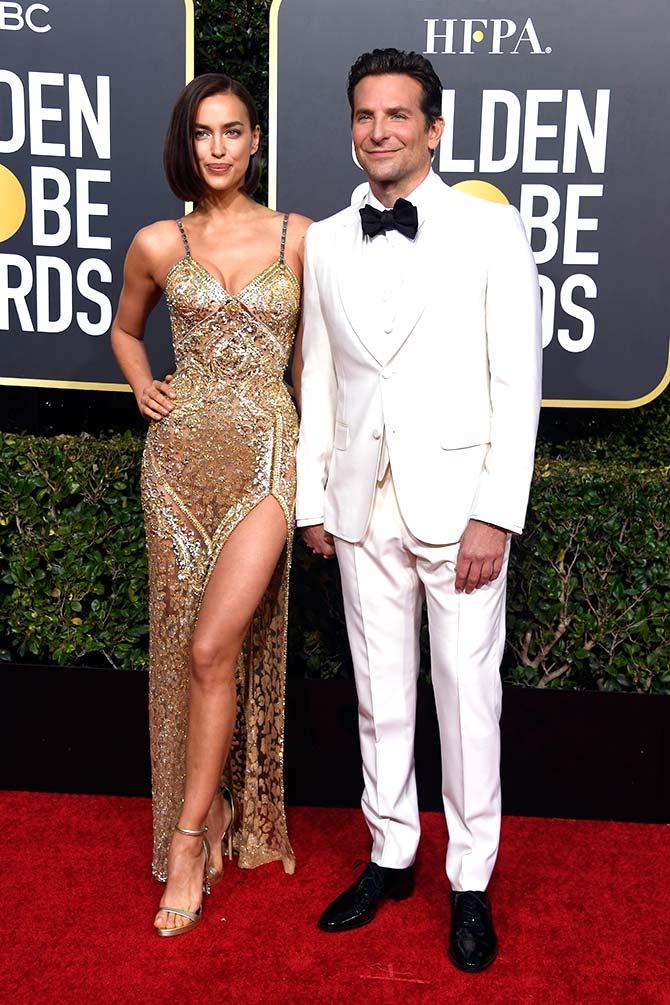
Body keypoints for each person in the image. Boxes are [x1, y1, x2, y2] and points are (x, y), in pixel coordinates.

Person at [295, 48, 541, 972]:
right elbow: (319, 376)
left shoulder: (490, 232)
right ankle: (390, 853)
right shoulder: (323, 238)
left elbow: (517, 382)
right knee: (378, 696)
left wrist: (496, 513)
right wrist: (318, 494)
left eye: (399, 115)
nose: (380, 131)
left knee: (469, 700)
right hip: (363, 508)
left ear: (434, 130)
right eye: (366, 115)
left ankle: (469, 880)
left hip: (460, 509)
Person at [111, 72, 310, 936]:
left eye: (233, 131)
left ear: (255, 140)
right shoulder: (158, 242)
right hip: (178, 464)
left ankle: (187, 838)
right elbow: (125, 328)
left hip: (268, 456)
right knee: (194, 655)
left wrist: (323, 470)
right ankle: (209, 813)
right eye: (203, 133)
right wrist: (143, 383)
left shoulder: (302, 237)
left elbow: (315, 365)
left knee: (211, 643)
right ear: (186, 144)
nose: (219, 147)